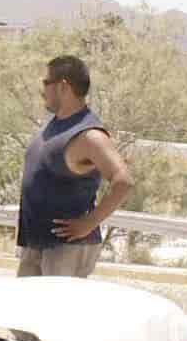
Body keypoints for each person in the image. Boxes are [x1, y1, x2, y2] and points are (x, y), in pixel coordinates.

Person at [14, 54, 135, 277]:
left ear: (63, 86)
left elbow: (123, 181)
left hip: (65, 249)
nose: (42, 90)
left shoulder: (89, 135)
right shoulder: (54, 126)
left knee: (61, 312)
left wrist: (89, 223)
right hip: (36, 244)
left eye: (46, 82)